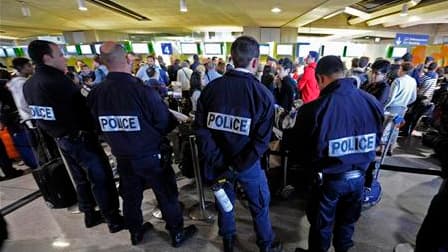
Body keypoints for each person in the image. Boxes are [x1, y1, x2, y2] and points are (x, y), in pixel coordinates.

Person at [87, 41, 197, 246]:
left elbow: (96, 126)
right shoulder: (143, 91)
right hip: (151, 156)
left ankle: (135, 233)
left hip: (122, 156)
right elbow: (165, 123)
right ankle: (176, 233)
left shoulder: (96, 93)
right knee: (166, 194)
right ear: (128, 59)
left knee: (130, 197)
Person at [22, 40, 123, 232]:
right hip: (81, 138)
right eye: (60, 54)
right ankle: (114, 219)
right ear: (46, 58)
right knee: (101, 178)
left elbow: (40, 116)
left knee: (80, 179)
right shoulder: (58, 82)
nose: (64, 58)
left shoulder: (29, 85)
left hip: (61, 139)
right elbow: (84, 112)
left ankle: (90, 214)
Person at [195, 36, 282, 252]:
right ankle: (266, 245)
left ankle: (228, 240)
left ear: (232, 58)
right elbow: (261, 141)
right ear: (255, 62)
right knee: (259, 205)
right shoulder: (262, 94)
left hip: (218, 164)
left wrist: (219, 160)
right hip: (248, 165)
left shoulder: (211, 89)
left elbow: (201, 130)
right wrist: (238, 165)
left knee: (225, 203)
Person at [289, 56, 383, 252]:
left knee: (322, 228)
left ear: (320, 78)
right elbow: (377, 139)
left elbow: (299, 150)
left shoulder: (314, 109)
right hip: (359, 178)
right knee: (347, 225)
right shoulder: (372, 102)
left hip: (328, 181)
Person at [383, 62, 417, 152]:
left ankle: (383, 149)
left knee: (386, 129)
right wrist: (405, 103)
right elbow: (413, 98)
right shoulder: (413, 81)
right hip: (402, 108)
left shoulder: (397, 81)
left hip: (392, 107)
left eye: (399, 69)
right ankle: (391, 148)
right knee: (396, 128)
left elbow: (391, 97)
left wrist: (384, 107)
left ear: (402, 69)